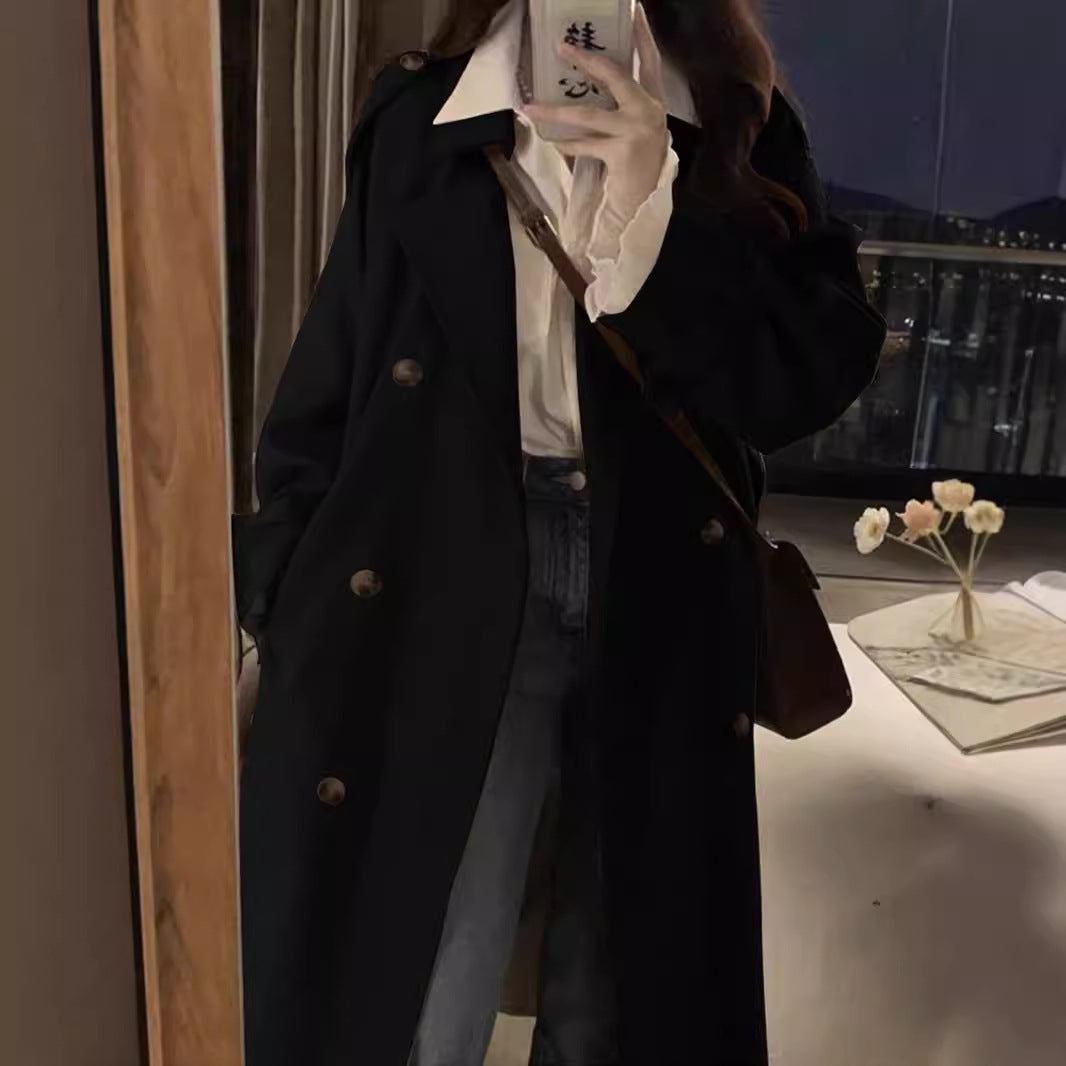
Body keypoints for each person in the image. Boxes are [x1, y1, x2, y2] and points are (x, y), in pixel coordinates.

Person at [232, 1, 886, 1063]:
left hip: (657, 574)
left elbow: (805, 378)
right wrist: (279, 587)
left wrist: (656, 207)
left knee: (617, 986)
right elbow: (332, 374)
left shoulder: (734, 115)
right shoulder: (423, 113)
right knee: (427, 964)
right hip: (446, 561)